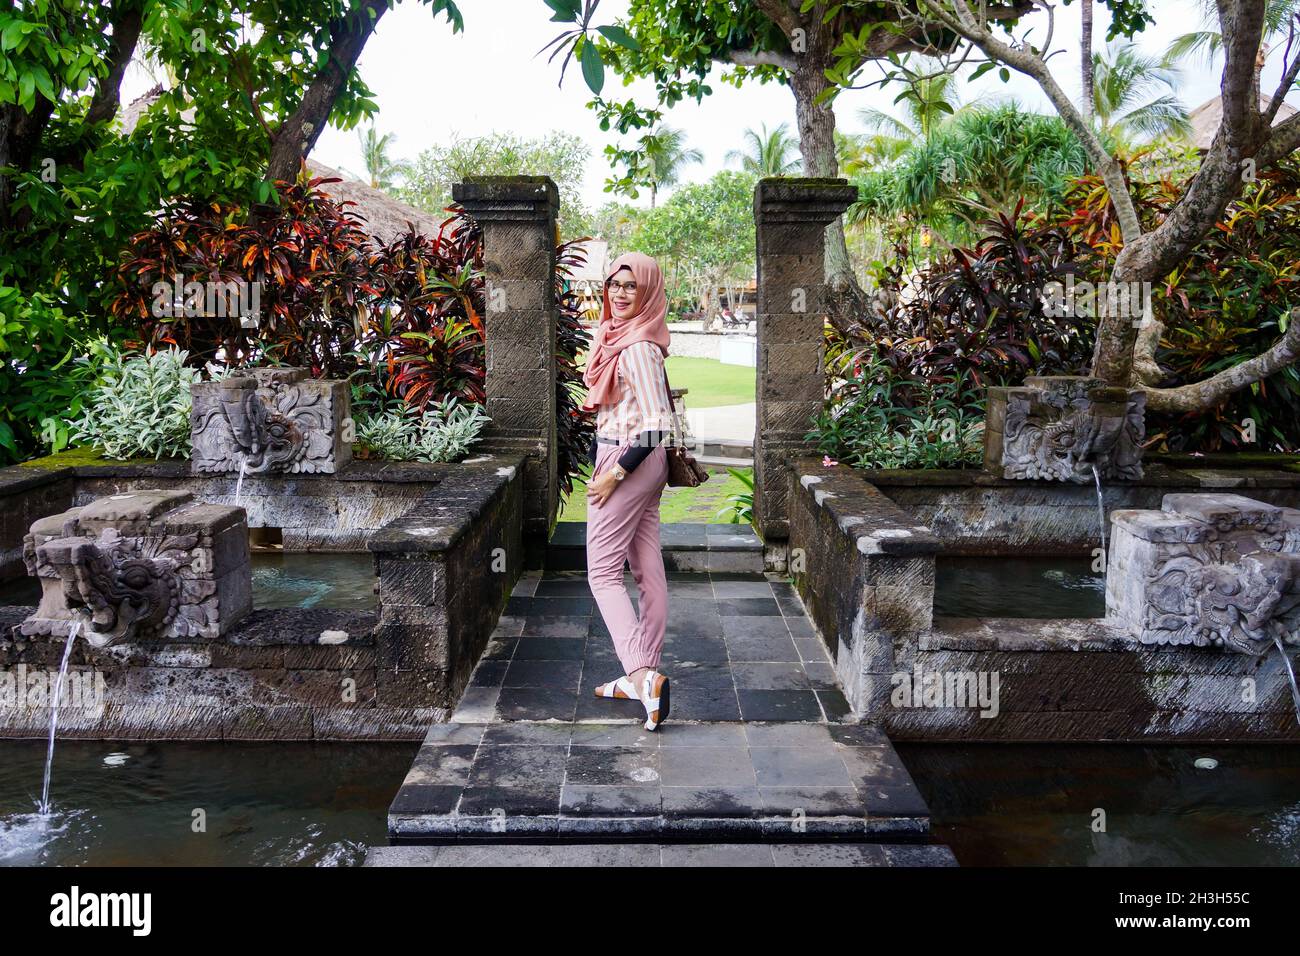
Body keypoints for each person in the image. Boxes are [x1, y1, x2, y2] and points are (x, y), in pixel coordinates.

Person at [581, 252, 675, 731]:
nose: (619, 294)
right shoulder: (624, 339)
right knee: (646, 566)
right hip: (637, 459)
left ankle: (640, 675)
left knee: (601, 573)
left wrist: (614, 473)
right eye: (614, 285)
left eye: (630, 287)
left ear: (648, 294)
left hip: (629, 457)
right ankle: (647, 675)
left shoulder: (638, 347)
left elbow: (659, 424)